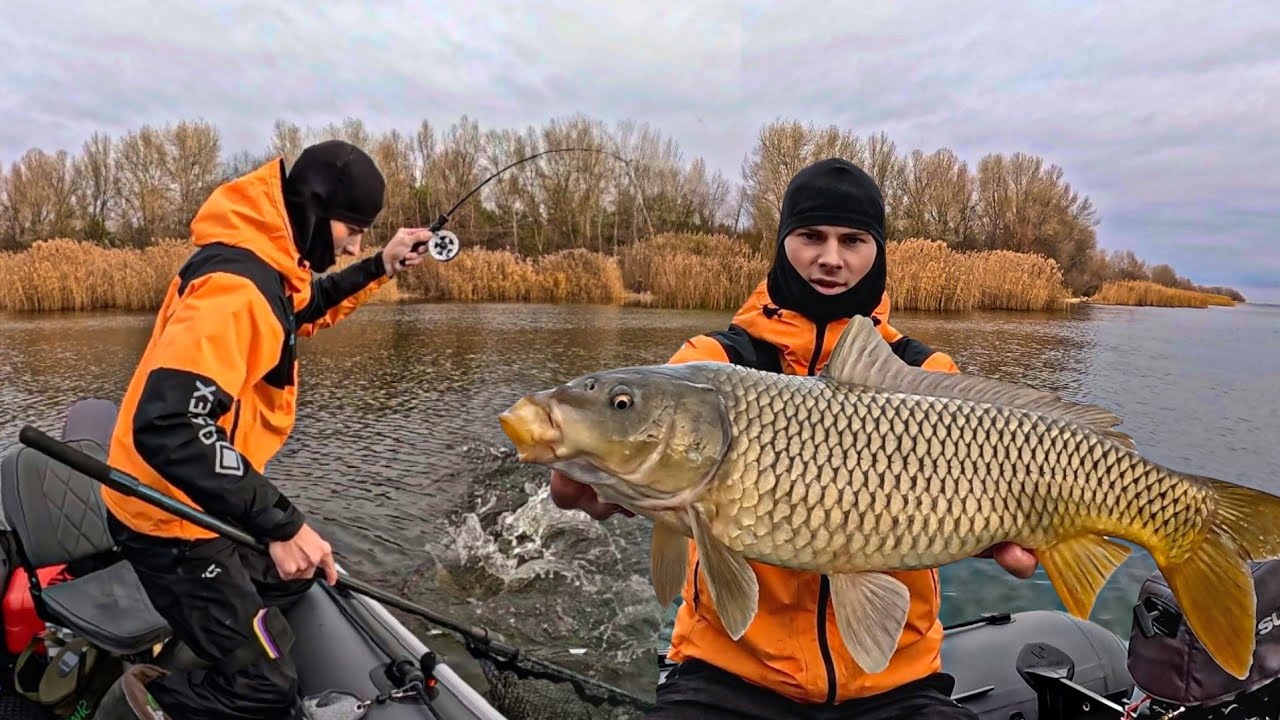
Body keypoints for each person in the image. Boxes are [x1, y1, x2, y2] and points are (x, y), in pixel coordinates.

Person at [550, 158, 1039, 719]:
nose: (830, 257)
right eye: (811, 236)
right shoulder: (708, 365)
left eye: (852, 240)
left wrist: (985, 523)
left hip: (896, 682)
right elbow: (619, 470)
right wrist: (600, 478)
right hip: (728, 675)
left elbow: (987, 520)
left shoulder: (925, 376)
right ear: (783, 243)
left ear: (877, 253)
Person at [96, 140, 431, 720]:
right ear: (315, 208)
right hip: (168, 521)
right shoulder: (236, 291)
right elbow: (170, 423)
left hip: (201, 502)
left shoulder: (267, 263)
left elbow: (301, 310)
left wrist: (382, 265)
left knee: (294, 578)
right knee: (265, 687)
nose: (355, 244)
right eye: (352, 229)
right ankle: (132, 702)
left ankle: (213, 637)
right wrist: (282, 523)